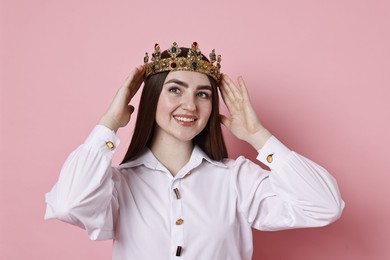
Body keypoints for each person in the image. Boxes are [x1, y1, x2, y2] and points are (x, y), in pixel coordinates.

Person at [45, 42, 345, 260]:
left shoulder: (236, 179)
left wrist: (259, 138)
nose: (190, 105)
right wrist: (108, 123)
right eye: (175, 89)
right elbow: (68, 204)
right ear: (152, 99)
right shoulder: (117, 185)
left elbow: (325, 206)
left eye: (202, 94)